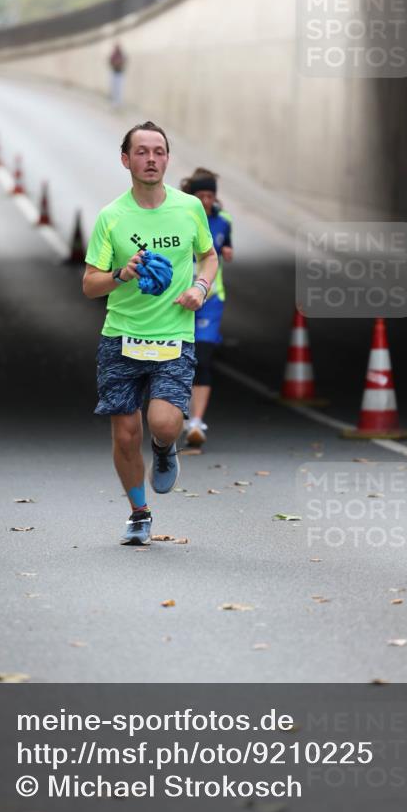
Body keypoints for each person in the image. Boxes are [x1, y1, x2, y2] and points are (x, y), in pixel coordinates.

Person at [83, 121, 218, 546]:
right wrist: (122, 274)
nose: (151, 159)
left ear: (167, 159)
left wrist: (199, 287)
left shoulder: (189, 209)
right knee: (125, 433)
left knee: (163, 422)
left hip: (174, 336)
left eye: (158, 151)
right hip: (121, 335)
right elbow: (90, 284)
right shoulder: (112, 217)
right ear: (126, 160)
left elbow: (209, 256)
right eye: (141, 152)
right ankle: (139, 513)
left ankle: (164, 449)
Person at [180, 169, 233, 446]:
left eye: (210, 195)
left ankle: (196, 422)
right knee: (177, 358)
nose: (206, 201)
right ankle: (175, 412)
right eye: (200, 195)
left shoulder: (224, 221)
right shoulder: (178, 218)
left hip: (210, 299)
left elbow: (227, 247)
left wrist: (226, 253)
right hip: (178, 299)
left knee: (203, 356)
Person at [108, 43, 127, 108]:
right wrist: (115, 63)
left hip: (120, 74)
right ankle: (114, 102)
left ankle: (119, 102)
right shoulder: (113, 55)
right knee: (114, 88)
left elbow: (125, 61)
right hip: (114, 73)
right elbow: (110, 61)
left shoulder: (122, 55)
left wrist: (120, 63)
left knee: (119, 89)